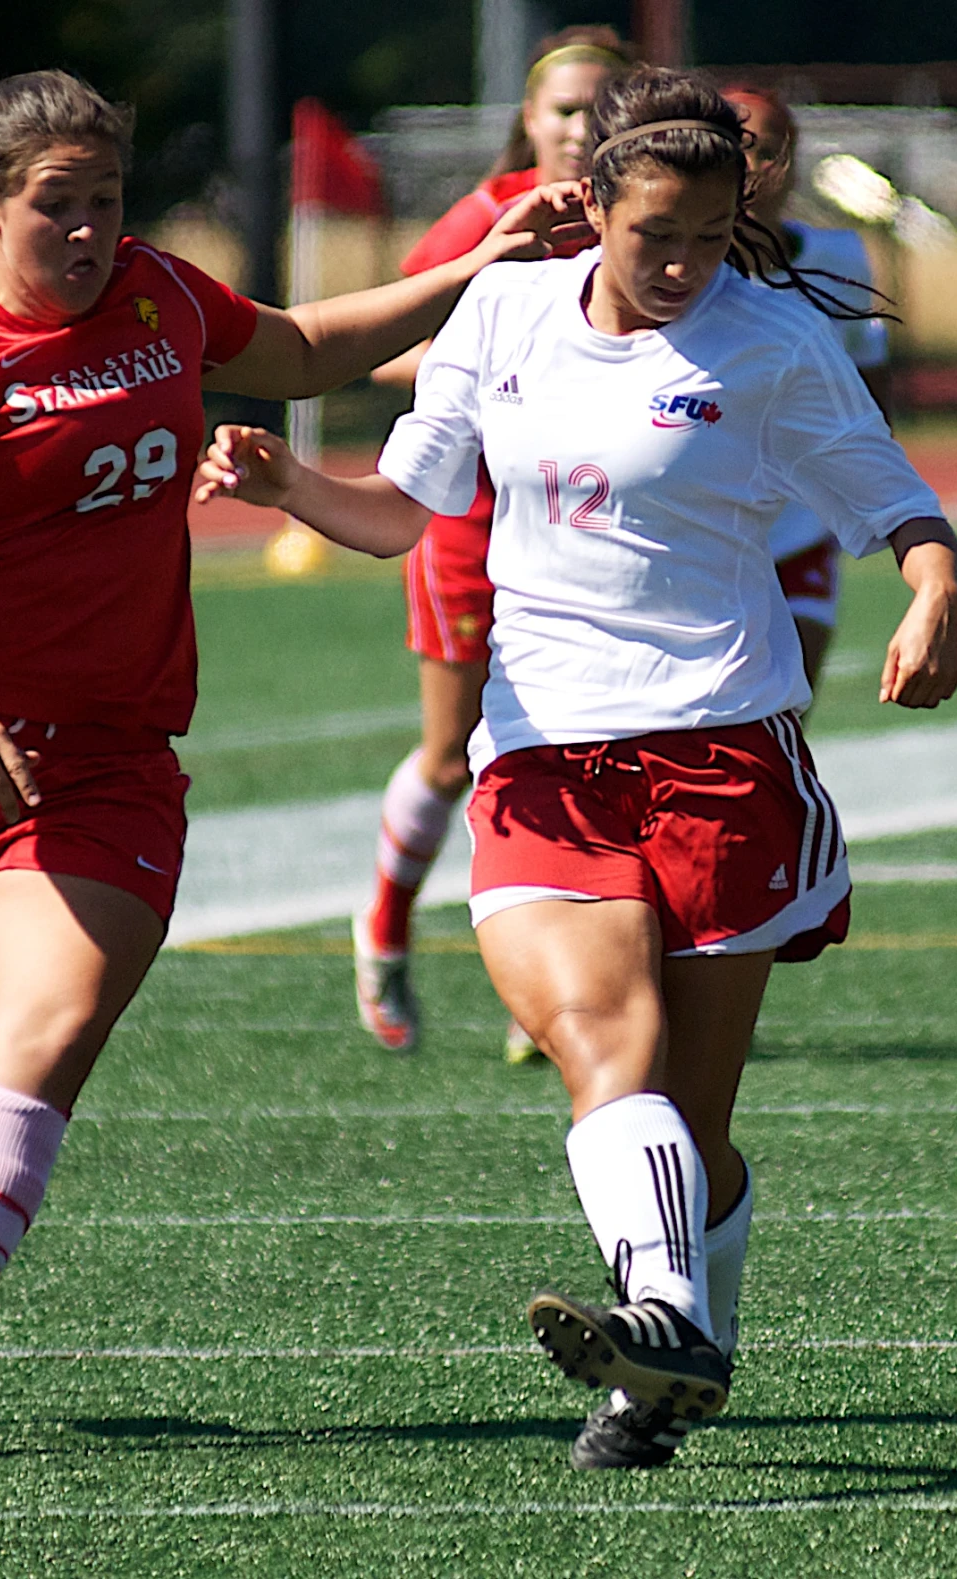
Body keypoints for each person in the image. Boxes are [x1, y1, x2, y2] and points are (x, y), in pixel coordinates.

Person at [0, 68, 582, 1465]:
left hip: (110, 758)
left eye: (106, 202)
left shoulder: (157, 296)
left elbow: (303, 344)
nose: (86, 232)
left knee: (49, 1030)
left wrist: (482, 265)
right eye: (56, 206)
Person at [195, 66, 957, 1470]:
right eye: (648, 233)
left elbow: (894, 503)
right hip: (540, 752)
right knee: (603, 1047)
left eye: (704, 235)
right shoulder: (498, 311)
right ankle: (663, 1318)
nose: (674, 264)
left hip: (725, 757)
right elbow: (400, 508)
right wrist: (284, 485)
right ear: (593, 205)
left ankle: (663, 1373)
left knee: (700, 1122)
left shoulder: (771, 342)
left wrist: (934, 596)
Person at [356, 26, 627, 1061]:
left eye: (601, 110)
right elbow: (388, 345)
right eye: (564, 110)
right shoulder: (487, 218)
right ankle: (384, 924)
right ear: (529, 120)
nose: (579, 130)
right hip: (471, 521)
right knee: (451, 752)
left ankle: (559, 982)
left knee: (584, 739)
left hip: (587, 521)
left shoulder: (639, 213)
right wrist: (496, 375)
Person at [721, 83, 893, 700]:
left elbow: (868, 387)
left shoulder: (837, 258)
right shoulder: (671, 275)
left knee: (787, 711)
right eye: (732, 147)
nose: (749, 167)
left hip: (799, 527)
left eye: (766, 150)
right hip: (704, 529)